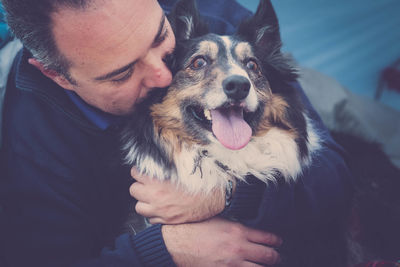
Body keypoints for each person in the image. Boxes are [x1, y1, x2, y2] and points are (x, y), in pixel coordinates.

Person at [0, 0, 352, 266]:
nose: (163, 77)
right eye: (122, 73)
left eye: (160, 38)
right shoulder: (28, 142)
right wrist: (161, 251)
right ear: (57, 76)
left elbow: (334, 176)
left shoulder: (216, 18)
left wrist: (230, 196)